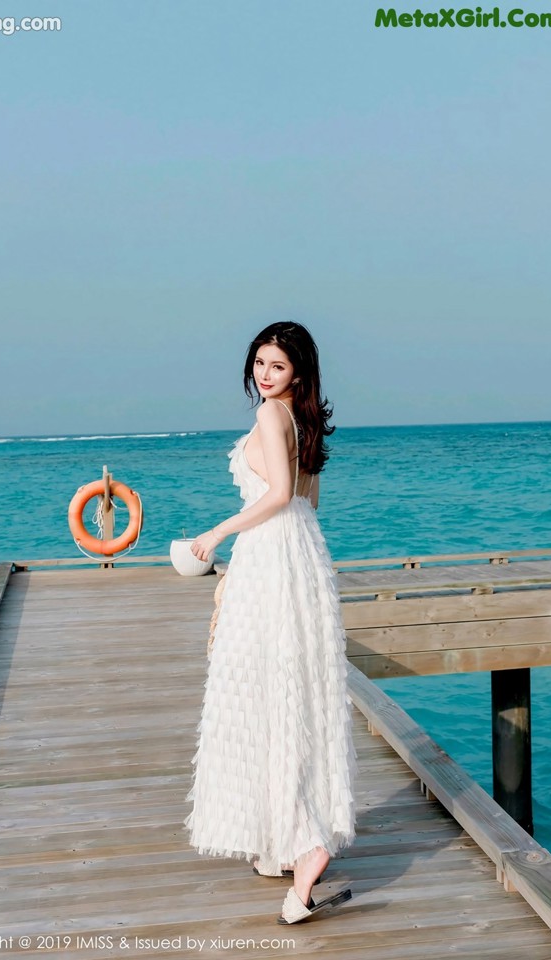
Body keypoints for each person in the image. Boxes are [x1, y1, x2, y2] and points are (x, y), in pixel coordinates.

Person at [183, 321, 358, 925]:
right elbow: (308, 499)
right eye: (260, 361)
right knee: (290, 691)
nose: (264, 373)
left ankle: (305, 847)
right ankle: (281, 841)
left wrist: (217, 533)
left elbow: (280, 493)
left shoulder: (269, 418)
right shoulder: (302, 420)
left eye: (277, 366)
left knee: (261, 690)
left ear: (297, 374)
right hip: (302, 555)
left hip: (271, 555)